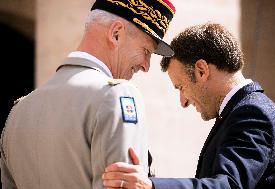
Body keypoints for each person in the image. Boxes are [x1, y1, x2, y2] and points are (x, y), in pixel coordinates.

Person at [0, 0, 176, 188]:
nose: (146, 66)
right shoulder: (116, 95)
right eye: (146, 51)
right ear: (116, 34)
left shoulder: (19, 110)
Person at [102, 23, 275, 189]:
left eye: (181, 87)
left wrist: (151, 186)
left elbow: (229, 185)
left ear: (202, 70)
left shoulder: (252, 114)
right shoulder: (240, 111)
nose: (183, 102)